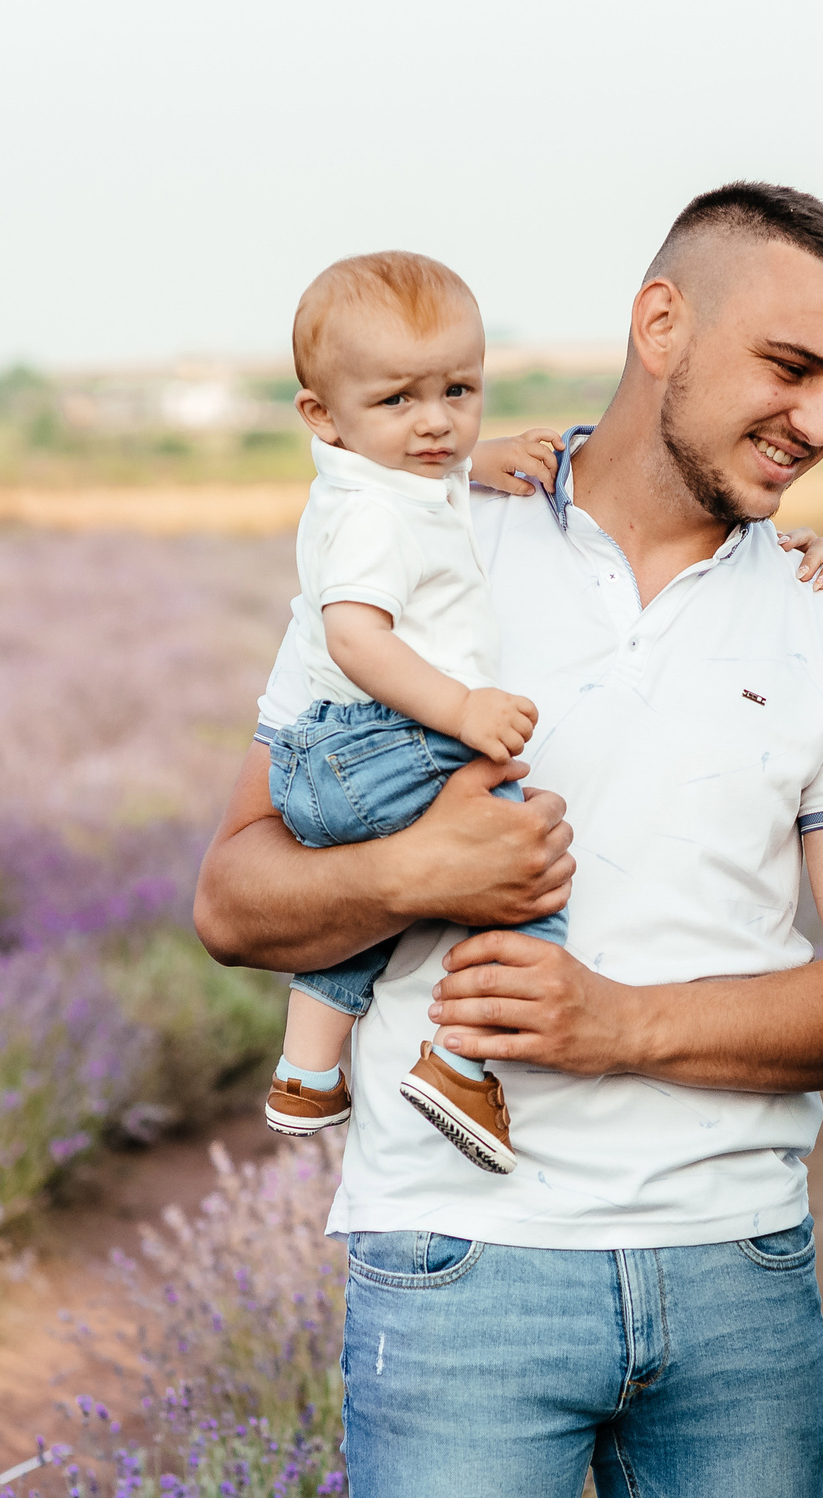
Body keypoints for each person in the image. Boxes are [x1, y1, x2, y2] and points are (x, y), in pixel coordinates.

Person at [195, 183, 823, 1498]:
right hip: (461, 1267)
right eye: (787, 368)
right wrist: (419, 864)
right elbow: (236, 894)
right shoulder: (426, 540)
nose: (820, 420)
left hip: (737, 1275)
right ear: (660, 324)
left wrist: (617, 1024)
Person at [258, 247, 581, 1169]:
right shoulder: (374, 519)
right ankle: (456, 1062)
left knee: (373, 911)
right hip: (383, 741)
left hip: (323, 762)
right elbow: (357, 638)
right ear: (321, 414)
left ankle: (307, 1072)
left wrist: (486, 459)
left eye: (461, 391)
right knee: (525, 869)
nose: (437, 423)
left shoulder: (377, 479)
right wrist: (464, 706)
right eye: (400, 401)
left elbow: (430, 472)